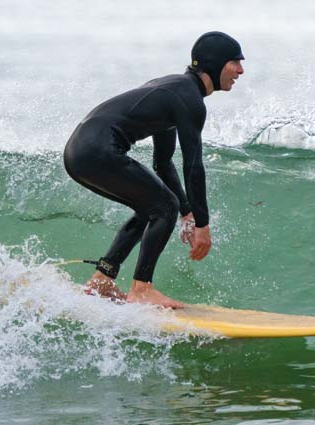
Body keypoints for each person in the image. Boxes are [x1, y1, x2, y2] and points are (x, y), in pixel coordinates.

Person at [63, 31, 245, 308]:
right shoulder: (189, 98)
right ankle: (142, 289)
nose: (241, 70)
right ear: (216, 62)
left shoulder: (176, 89)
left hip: (79, 152)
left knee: (152, 206)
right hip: (98, 149)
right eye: (235, 62)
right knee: (163, 207)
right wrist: (203, 226)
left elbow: (163, 162)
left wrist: (187, 211)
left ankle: (103, 278)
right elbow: (193, 165)